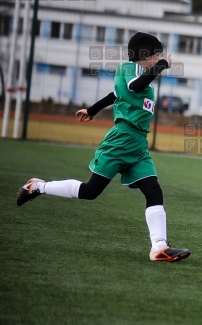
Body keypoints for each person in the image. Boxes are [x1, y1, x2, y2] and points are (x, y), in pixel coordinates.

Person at [15, 32, 191, 262]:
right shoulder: (131, 70)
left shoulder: (135, 72)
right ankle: (37, 187)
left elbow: (115, 95)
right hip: (121, 141)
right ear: (144, 54)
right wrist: (160, 66)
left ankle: (159, 247)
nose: (159, 57)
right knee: (90, 192)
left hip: (137, 145)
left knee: (153, 190)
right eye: (156, 53)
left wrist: (92, 110)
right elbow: (136, 87)